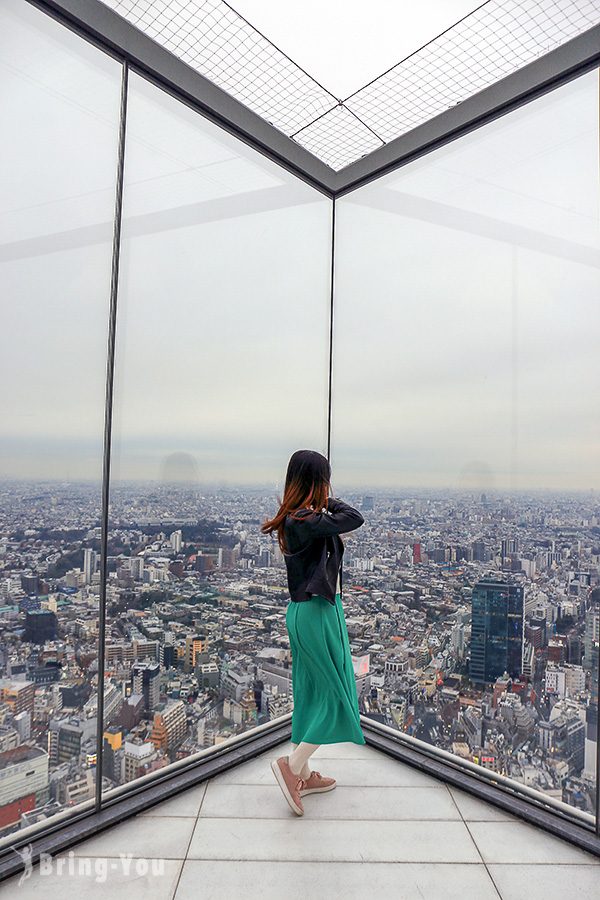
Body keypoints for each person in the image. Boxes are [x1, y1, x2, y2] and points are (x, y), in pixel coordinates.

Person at [261, 449, 366, 815]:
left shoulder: (297, 518)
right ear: (314, 483)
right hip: (317, 613)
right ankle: (291, 768)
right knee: (336, 697)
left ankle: (304, 774)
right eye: (324, 481)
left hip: (311, 611)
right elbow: (354, 518)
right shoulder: (304, 519)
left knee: (310, 693)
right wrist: (327, 499)